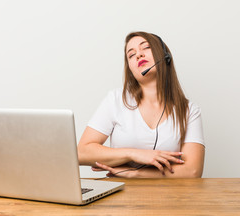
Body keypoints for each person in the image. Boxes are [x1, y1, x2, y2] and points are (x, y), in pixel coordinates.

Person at [78, 31, 205, 178]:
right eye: (131, 55)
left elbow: (193, 171)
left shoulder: (189, 111)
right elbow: (81, 153)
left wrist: (135, 173)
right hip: (120, 196)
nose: (138, 55)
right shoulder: (116, 99)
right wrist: (134, 154)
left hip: (171, 197)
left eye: (146, 47)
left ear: (165, 57)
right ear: (130, 69)